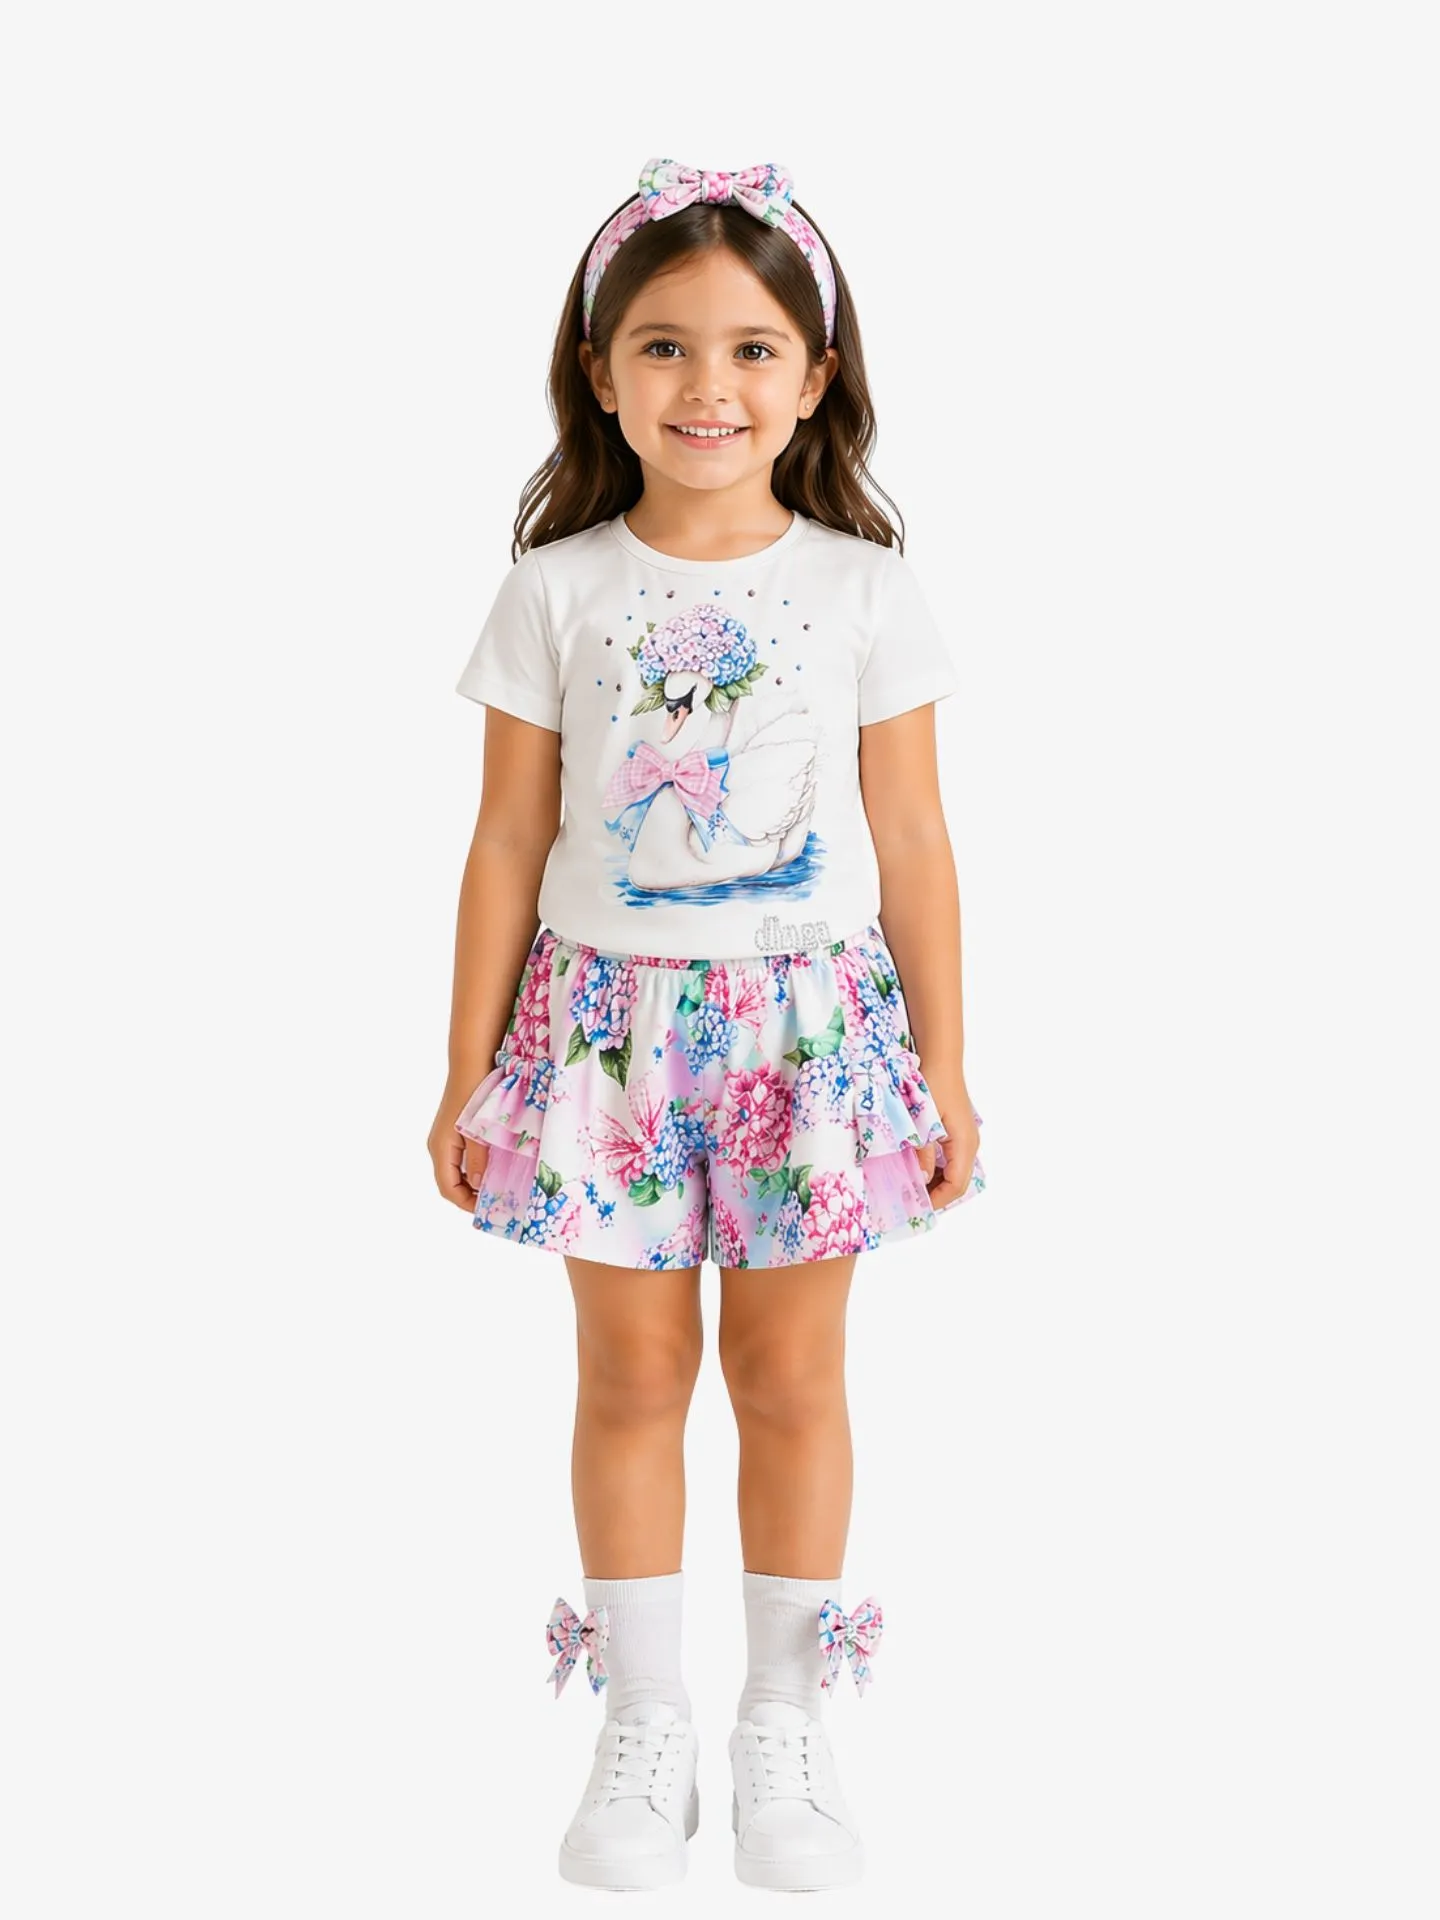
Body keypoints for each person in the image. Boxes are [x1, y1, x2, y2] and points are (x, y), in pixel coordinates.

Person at [426, 157, 987, 1893]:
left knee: (791, 1377)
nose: (707, 386)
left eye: (752, 349)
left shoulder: (867, 586)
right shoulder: (556, 586)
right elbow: (508, 837)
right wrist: (465, 1065)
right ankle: (644, 1724)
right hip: (602, 1037)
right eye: (663, 346)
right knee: (631, 1375)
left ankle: (784, 1732)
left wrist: (947, 1068)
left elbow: (914, 839)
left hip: (808, 1037)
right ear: (600, 373)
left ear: (815, 378)